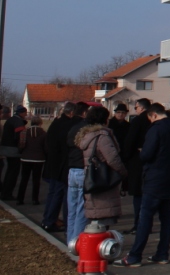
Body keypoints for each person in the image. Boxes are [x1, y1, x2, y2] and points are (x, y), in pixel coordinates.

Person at [115, 103, 170, 267]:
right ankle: (162, 254)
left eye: (150, 119)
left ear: (153, 115)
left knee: (145, 218)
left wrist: (142, 151)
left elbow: (147, 154)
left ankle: (135, 256)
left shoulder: (156, 129)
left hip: (155, 178)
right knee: (166, 218)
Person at [78, 106, 128, 228]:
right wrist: (123, 172)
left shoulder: (87, 135)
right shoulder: (102, 136)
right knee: (104, 219)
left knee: (95, 217)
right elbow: (112, 158)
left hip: (92, 177)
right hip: (104, 179)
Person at [41, 101, 76, 231]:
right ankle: (50, 221)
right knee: (58, 193)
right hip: (61, 164)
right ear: (71, 113)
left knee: (53, 192)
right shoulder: (68, 125)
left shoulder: (56, 123)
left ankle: (48, 219)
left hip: (52, 163)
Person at [122, 98, 151, 234]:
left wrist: (125, 157)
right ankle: (146, 224)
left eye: (136, 107)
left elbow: (130, 141)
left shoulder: (138, 121)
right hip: (151, 162)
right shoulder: (154, 121)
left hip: (137, 162)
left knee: (138, 195)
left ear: (142, 108)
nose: (135, 110)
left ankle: (139, 224)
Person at [65, 102, 92, 246]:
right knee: (82, 210)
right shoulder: (87, 129)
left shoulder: (71, 128)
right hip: (82, 169)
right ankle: (77, 243)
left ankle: (70, 240)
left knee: (72, 210)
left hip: (72, 169)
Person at [0, 105, 28, 200]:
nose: (26, 115)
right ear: (22, 113)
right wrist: (21, 148)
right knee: (13, 173)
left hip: (6, 148)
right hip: (14, 150)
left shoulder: (10, 120)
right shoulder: (18, 122)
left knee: (9, 171)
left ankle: (5, 192)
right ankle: (7, 194)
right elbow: (21, 137)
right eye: (25, 113)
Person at [17, 114, 47, 205]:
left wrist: (21, 151)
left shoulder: (24, 132)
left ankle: (20, 199)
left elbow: (21, 145)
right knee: (36, 180)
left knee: (24, 179)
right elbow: (45, 147)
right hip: (39, 158)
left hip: (26, 157)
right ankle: (35, 199)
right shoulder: (44, 133)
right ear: (40, 123)